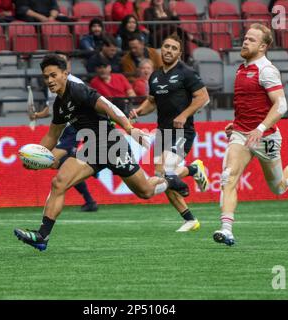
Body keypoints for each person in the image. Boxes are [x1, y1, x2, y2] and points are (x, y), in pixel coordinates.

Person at [14, 54, 190, 251]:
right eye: (46, 77)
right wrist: (36, 156)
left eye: (53, 75)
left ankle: (169, 181)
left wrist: (130, 129)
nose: (49, 80)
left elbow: (108, 107)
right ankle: (42, 236)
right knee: (59, 182)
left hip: (112, 144)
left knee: (145, 191)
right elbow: (52, 136)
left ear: (65, 74)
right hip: (91, 148)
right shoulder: (59, 104)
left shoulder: (78, 90)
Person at [212, 24, 288, 246]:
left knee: (279, 188)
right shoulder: (241, 68)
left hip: (266, 138)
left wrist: (260, 128)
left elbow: (281, 106)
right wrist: (236, 124)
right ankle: (226, 230)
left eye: (251, 40)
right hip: (242, 136)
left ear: (263, 46)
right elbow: (251, 105)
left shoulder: (267, 70)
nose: (245, 42)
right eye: (245, 38)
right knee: (228, 177)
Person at [130, 34, 210, 232]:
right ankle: (190, 219)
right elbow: (152, 101)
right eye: (166, 47)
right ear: (161, 49)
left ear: (179, 53)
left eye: (174, 48)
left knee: (168, 173)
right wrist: (140, 110)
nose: (169, 51)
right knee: (163, 177)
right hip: (162, 132)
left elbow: (203, 97)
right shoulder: (155, 76)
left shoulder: (187, 73)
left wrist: (184, 115)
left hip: (183, 131)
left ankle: (193, 169)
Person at [30, 53, 99, 212]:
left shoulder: (75, 83)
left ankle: (91, 171)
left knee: (53, 161)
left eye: (64, 59)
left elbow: (93, 103)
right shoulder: (53, 83)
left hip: (74, 129)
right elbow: (52, 109)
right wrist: (37, 115)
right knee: (58, 164)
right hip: (65, 129)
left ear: (66, 65)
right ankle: (89, 194)